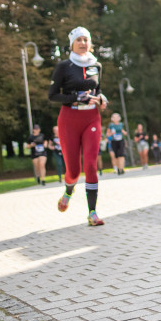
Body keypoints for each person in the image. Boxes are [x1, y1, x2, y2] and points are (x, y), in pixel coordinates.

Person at [48, 26, 107, 226]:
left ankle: (92, 213)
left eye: (85, 39)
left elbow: (98, 90)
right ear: (72, 43)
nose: (83, 43)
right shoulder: (64, 66)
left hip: (91, 118)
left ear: (90, 43)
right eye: (78, 39)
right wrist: (76, 97)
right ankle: (68, 191)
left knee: (90, 164)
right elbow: (52, 95)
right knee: (73, 170)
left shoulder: (97, 65)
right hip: (69, 119)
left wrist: (102, 99)